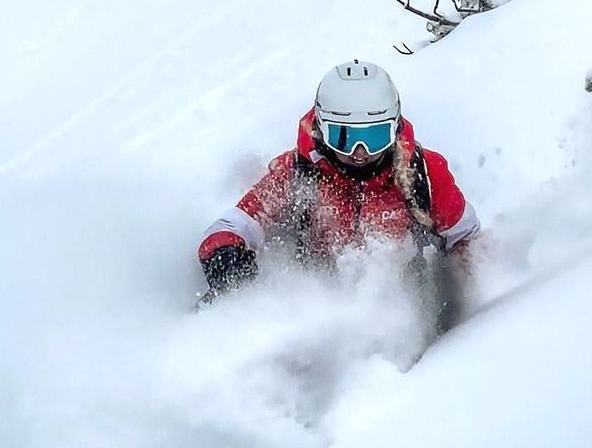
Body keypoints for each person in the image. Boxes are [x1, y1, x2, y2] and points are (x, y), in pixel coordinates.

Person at [198, 61, 479, 326]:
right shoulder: (300, 173)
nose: (360, 152)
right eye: (343, 136)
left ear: (395, 128)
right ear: (321, 130)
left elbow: (468, 237)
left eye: (374, 137)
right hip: (314, 311)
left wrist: (460, 294)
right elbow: (234, 224)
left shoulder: (423, 174)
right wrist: (226, 255)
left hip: (410, 312)